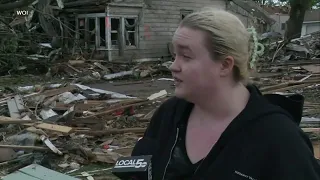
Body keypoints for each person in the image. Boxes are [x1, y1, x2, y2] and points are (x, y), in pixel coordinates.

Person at [131, 8, 320, 180]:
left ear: (225, 65)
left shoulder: (280, 139)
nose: (173, 66)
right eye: (175, 55)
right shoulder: (169, 115)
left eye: (186, 56)